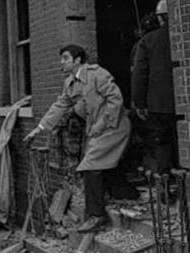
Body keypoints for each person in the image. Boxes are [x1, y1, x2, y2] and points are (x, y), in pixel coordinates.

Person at [24, 45, 131, 233]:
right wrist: (39, 129)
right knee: (103, 165)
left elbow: (115, 99)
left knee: (90, 166)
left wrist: (102, 124)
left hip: (114, 126)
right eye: (61, 59)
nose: (62, 62)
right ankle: (127, 194)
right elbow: (59, 106)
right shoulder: (70, 83)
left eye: (65, 58)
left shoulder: (97, 74)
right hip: (97, 130)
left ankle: (97, 216)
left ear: (78, 60)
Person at [131, 0, 178, 176]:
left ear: (160, 18)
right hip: (183, 103)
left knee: (162, 146)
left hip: (159, 105)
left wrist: (139, 103)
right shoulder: (183, 35)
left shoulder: (148, 41)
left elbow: (139, 75)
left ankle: (166, 191)